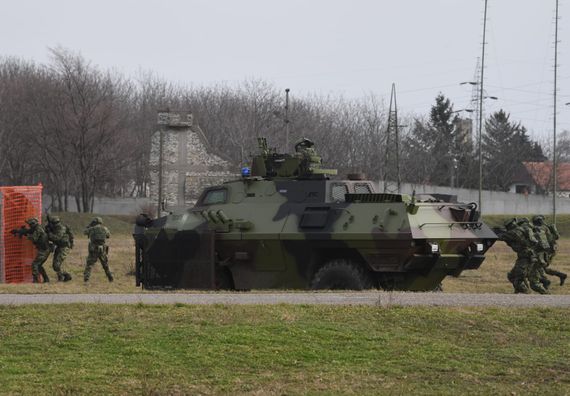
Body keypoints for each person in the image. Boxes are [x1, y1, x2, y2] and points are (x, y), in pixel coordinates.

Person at [11, 217, 51, 283]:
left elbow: (33, 238)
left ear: (33, 224)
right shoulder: (36, 228)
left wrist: (25, 234)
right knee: (39, 265)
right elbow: (29, 231)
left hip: (44, 250)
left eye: (30, 225)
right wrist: (20, 231)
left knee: (35, 264)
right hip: (44, 249)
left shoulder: (38, 229)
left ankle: (36, 280)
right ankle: (46, 279)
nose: (29, 226)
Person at [532, 215, 567, 286]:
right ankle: (561, 275)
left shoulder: (541, 229)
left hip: (547, 251)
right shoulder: (546, 227)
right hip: (551, 250)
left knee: (538, 267)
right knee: (542, 268)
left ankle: (545, 282)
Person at [83, 217, 113, 282]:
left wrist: (89, 226)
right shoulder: (105, 229)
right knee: (105, 264)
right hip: (103, 249)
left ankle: (86, 278)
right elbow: (108, 236)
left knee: (89, 264)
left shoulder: (91, 229)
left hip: (93, 249)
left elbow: (84, 232)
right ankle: (110, 277)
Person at [46, 215, 73, 282]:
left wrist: (49, 233)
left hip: (64, 247)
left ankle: (62, 277)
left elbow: (56, 238)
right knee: (55, 265)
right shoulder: (56, 228)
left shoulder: (61, 228)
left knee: (57, 264)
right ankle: (66, 276)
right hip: (59, 246)